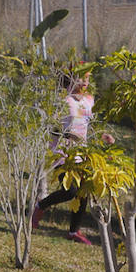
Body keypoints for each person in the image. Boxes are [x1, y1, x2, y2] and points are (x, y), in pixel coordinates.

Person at [32, 72, 98, 245]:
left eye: (88, 78)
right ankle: (40, 206)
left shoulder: (89, 100)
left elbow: (89, 125)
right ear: (71, 78)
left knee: (83, 192)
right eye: (81, 78)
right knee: (71, 191)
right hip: (61, 153)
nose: (85, 82)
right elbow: (50, 127)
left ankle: (73, 231)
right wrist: (68, 135)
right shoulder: (62, 100)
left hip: (82, 153)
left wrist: (103, 136)